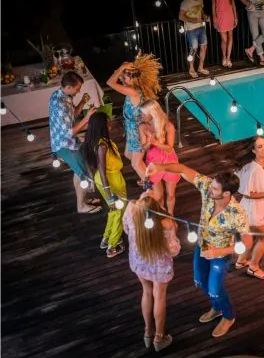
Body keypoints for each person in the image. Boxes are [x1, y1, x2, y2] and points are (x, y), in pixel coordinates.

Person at [146, 162, 252, 338]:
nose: (211, 189)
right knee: (200, 281)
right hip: (202, 246)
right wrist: (160, 167)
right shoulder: (208, 188)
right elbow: (183, 169)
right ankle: (216, 307)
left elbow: (247, 242)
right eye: (212, 186)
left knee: (215, 289)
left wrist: (218, 252)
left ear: (226, 193)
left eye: (216, 189)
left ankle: (228, 316)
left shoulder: (237, 214)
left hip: (220, 255)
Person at [123, 195, 180, 352]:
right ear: (157, 209)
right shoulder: (167, 224)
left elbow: (126, 229)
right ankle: (159, 337)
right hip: (160, 266)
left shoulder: (131, 211)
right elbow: (174, 251)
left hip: (140, 261)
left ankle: (148, 333)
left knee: (146, 292)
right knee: (159, 297)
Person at [48, 71, 100, 214]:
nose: (79, 91)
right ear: (69, 87)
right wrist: (88, 118)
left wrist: (82, 102)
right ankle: (81, 206)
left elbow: (72, 115)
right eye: (77, 88)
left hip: (70, 142)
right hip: (64, 144)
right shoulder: (60, 104)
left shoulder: (62, 96)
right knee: (83, 173)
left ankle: (82, 200)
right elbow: (69, 132)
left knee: (79, 172)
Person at [106, 54, 161, 186]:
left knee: (135, 163)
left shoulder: (132, 91)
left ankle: (152, 187)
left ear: (131, 78)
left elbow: (109, 83)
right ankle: (148, 173)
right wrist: (122, 68)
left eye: (124, 77)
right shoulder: (132, 89)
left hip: (138, 132)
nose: (122, 79)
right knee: (128, 155)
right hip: (132, 130)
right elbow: (116, 77)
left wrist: (123, 67)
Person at [80, 112, 127, 258]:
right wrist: (109, 194)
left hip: (104, 180)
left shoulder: (94, 141)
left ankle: (106, 238)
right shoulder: (102, 145)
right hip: (111, 181)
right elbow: (101, 170)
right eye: (108, 121)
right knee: (119, 212)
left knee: (113, 211)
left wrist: (94, 183)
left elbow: (90, 165)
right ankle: (113, 245)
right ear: (103, 125)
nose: (111, 123)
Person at [234, 136, 264, 280]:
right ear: (253, 150)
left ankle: (241, 262)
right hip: (252, 210)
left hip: (253, 209)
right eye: (259, 147)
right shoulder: (253, 168)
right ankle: (253, 267)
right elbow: (247, 194)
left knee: (249, 239)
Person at [139, 100, 180, 215]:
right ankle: (160, 216)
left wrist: (155, 142)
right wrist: (149, 141)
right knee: (158, 197)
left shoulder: (168, 126)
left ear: (151, 113)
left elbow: (169, 148)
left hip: (169, 162)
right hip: (153, 164)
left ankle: (171, 216)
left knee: (171, 195)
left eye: (143, 113)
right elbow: (144, 148)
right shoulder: (143, 127)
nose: (141, 116)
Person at [180, 0, 211, 78]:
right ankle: (191, 68)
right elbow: (181, 16)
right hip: (191, 29)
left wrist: (205, 16)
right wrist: (193, 20)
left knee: (204, 47)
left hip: (201, 27)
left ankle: (200, 67)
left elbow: (201, 10)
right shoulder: (185, 2)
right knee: (193, 49)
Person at [211, 0, 238, 68]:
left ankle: (228, 58)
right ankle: (224, 57)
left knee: (230, 36)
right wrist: (214, 19)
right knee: (224, 39)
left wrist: (235, 17)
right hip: (221, 17)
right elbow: (213, 7)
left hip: (230, 15)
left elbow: (233, 4)